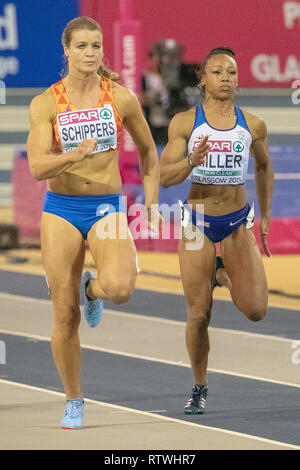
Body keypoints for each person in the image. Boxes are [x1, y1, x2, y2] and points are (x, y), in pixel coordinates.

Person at [27, 16, 162, 429]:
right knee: (64, 317)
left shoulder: (120, 99)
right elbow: (35, 166)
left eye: (96, 46)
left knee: (120, 287)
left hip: (106, 205)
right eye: (81, 46)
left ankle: (92, 288)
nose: (90, 53)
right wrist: (72, 156)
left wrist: (153, 203)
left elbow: (149, 154)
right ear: (65, 51)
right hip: (62, 209)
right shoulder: (46, 103)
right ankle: (74, 399)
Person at [159, 47, 274, 414]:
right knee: (199, 315)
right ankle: (199, 385)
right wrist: (192, 161)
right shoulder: (184, 123)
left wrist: (266, 218)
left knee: (256, 310)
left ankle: (221, 273)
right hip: (197, 225)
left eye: (232, 72)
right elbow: (163, 177)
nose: (226, 77)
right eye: (218, 71)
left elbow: (264, 168)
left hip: (238, 223)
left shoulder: (253, 124)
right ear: (202, 78)